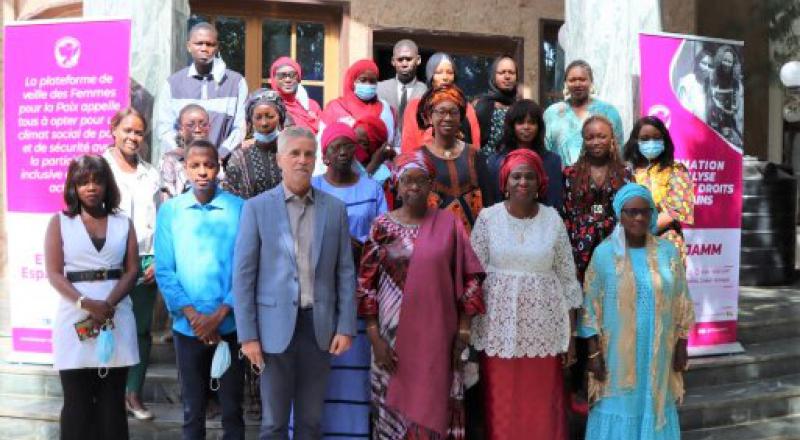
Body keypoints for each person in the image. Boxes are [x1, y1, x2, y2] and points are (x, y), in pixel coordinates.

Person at [233, 127, 357, 439]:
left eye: (308, 154)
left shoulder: (335, 209)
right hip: (273, 329)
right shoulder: (256, 208)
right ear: (280, 159)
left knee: (311, 422)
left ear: (316, 159)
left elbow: (345, 272)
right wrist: (248, 336)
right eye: (295, 153)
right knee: (273, 423)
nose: (302, 160)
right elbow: (243, 277)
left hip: (319, 328)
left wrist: (345, 326)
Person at [357, 151, 485, 440]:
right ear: (397, 185)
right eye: (407, 181)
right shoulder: (381, 227)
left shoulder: (450, 224)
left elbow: (470, 278)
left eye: (421, 180)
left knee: (435, 411)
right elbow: (365, 286)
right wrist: (375, 339)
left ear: (431, 186)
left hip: (439, 340)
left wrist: (464, 331)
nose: (414, 187)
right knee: (395, 416)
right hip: (391, 342)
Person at [470, 149, 581, 440]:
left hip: (545, 329)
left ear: (539, 182)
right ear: (505, 182)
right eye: (516, 176)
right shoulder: (487, 218)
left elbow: (568, 281)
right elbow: (473, 277)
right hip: (498, 330)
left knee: (542, 408)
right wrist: (467, 327)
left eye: (529, 176)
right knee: (502, 407)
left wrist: (570, 336)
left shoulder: (553, 219)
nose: (523, 182)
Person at [581, 183, 695, 440]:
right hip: (616, 357)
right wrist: (594, 354)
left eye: (645, 211)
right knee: (618, 406)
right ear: (619, 215)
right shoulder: (604, 254)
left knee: (654, 404)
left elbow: (682, 302)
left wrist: (682, 344)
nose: (639, 217)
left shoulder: (668, 253)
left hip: (659, 353)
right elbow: (590, 308)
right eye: (631, 212)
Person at [155, 139, 246, 439]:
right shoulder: (171, 211)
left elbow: (246, 269)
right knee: (192, 410)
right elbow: (165, 270)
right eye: (195, 165)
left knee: (232, 409)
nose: (202, 172)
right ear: (185, 168)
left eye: (209, 165)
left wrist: (219, 316)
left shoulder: (239, 209)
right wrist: (194, 316)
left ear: (218, 168)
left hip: (229, 327)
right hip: (187, 327)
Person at [44, 155, 140, 440]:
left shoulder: (123, 222)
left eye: (97, 181)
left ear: (107, 185)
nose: (91, 187)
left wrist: (106, 306)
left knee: (112, 404)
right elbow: (54, 273)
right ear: (73, 186)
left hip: (116, 316)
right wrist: (86, 304)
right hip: (75, 317)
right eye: (83, 181)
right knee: (77, 404)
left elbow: (132, 270)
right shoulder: (60, 222)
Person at [311, 122, 388, 439]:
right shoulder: (312, 187)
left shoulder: (372, 189)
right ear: (325, 154)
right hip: (319, 293)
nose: (343, 152)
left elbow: (385, 237)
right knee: (317, 371)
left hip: (360, 291)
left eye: (348, 146)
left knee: (353, 369)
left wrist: (362, 248)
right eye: (336, 147)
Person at [102, 108, 161, 420]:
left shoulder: (151, 174)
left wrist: (159, 258)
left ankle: (132, 393)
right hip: (109, 260)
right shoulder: (99, 168)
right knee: (105, 326)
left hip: (145, 259)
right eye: (127, 130)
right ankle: (107, 394)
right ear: (114, 130)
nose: (133, 137)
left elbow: (160, 220)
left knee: (140, 330)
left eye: (139, 132)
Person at [153, 22, 248, 163]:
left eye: (210, 44)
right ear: (188, 46)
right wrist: (187, 155)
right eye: (199, 43)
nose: (204, 48)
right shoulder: (172, 84)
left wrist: (219, 155)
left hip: (223, 164)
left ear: (217, 47)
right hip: (182, 165)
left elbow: (239, 128)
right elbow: (165, 128)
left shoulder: (236, 82)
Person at [561, 115, 631, 284]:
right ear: (584, 141)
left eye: (602, 136)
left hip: (616, 246)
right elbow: (566, 215)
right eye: (590, 138)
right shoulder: (571, 174)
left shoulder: (625, 173)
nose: (596, 142)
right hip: (580, 249)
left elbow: (629, 212)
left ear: (612, 138)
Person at [418, 84, 490, 232]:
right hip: (433, 238)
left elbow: (489, 202)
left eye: (453, 112)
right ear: (430, 117)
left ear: (461, 117)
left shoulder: (475, 154)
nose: (448, 118)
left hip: (472, 239)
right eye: (441, 112)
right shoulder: (419, 158)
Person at [624, 116, 694, 263]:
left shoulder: (676, 170)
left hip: (665, 244)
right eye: (645, 139)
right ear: (635, 141)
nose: (651, 142)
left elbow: (675, 211)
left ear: (664, 141)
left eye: (656, 138)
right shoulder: (625, 171)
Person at [318, 59, 397, 175]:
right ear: (352, 81)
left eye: (372, 81)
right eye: (363, 80)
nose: (368, 85)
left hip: (379, 173)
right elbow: (322, 145)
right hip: (340, 174)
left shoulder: (386, 110)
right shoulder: (335, 108)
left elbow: (392, 143)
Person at [485, 99, 564, 209]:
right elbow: (492, 200)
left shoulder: (552, 161)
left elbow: (554, 202)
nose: (526, 127)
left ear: (539, 126)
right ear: (512, 126)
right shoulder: (496, 162)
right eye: (520, 122)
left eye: (532, 122)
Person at [544, 60, 624, 166]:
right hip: (559, 173)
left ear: (591, 81)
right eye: (572, 80)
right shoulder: (552, 113)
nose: (577, 84)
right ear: (566, 83)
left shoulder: (608, 111)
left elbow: (618, 149)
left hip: (600, 173)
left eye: (582, 79)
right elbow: (545, 148)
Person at [400, 52, 482, 154]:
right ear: (431, 76)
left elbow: (475, 144)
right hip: (424, 161)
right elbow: (408, 146)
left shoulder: (465, 106)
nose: (445, 77)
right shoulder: (416, 107)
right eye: (439, 72)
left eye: (450, 72)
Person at [223, 89, 286, 199]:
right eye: (258, 117)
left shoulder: (291, 153)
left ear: (280, 117)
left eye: (270, 116)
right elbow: (229, 198)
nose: (264, 123)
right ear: (251, 120)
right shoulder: (239, 158)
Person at [160, 104, 211, 201]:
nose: (197, 129)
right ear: (180, 130)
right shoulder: (171, 160)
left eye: (203, 124)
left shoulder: (215, 160)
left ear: (209, 127)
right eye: (191, 125)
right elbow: (167, 201)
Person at [376, 39, 427, 132]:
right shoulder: (379, 89)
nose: (404, 64)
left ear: (418, 60)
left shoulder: (426, 92)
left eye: (409, 59)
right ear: (393, 61)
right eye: (400, 60)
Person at [474, 55, 520, 156]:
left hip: (515, 162)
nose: (507, 76)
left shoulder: (520, 107)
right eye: (502, 72)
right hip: (485, 162)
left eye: (511, 72)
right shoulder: (482, 104)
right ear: (494, 76)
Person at [269, 57, 322, 134]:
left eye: (292, 75)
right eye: (281, 76)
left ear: (298, 78)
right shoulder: (269, 107)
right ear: (274, 79)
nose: (287, 80)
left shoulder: (312, 106)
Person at [708, 45, 743, 146]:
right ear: (720, 60)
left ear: (733, 64)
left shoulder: (736, 84)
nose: (726, 64)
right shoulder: (712, 77)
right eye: (725, 60)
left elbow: (736, 109)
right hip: (713, 124)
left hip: (730, 126)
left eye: (729, 62)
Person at [677, 49, 713, 122]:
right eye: (704, 63)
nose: (706, 68)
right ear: (697, 63)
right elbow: (683, 111)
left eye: (710, 66)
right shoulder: (689, 80)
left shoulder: (708, 85)